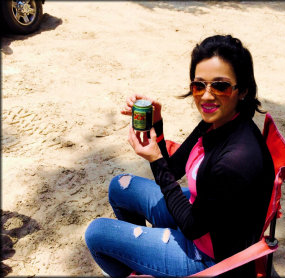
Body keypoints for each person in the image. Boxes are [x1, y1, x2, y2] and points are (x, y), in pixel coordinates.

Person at [85, 34, 275, 277]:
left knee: (96, 233)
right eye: (199, 85)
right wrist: (157, 125)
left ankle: (140, 268)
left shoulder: (235, 159)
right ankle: (141, 259)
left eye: (220, 86)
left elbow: (191, 227)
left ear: (243, 91)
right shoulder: (218, 121)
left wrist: (155, 160)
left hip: (209, 257)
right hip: (201, 217)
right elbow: (175, 169)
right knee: (119, 187)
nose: (206, 96)